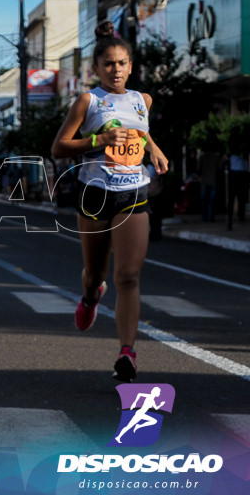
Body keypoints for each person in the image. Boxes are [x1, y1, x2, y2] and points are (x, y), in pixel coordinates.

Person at [51, 20, 168, 383]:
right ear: (96, 69)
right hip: (95, 195)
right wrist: (99, 142)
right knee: (97, 275)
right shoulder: (88, 100)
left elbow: (141, 132)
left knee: (129, 276)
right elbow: (58, 148)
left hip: (134, 194)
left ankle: (127, 352)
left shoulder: (141, 99)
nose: (116, 70)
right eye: (108, 64)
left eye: (122, 63)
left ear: (131, 66)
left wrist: (155, 149)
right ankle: (90, 296)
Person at [229, 153, 248, 223]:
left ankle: (238, 215)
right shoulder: (236, 157)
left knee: (239, 197)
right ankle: (238, 215)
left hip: (238, 174)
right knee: (240, 197)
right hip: (240, 174)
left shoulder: (233, 157)